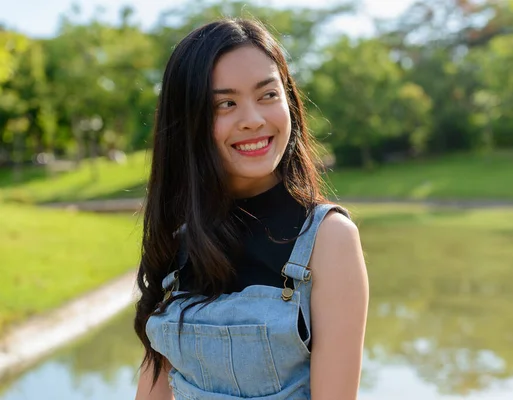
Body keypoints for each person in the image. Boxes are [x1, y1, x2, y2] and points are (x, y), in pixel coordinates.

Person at [133, 18, 369, 400]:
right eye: (226, 104)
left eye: (267, 95)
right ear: (188, 121)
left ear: (288, 100)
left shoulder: (328, 239)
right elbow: (154, 385)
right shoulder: (178, 238)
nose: (254, 120)